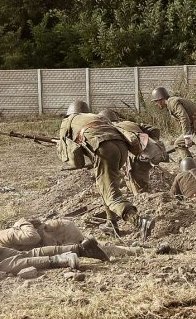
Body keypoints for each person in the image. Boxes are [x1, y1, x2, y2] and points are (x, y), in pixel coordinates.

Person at [58, 101, 155, 239]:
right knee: (106, 186)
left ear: (69, 113)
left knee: (111, 195)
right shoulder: (97, 117)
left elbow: (76, 160)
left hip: (104, 148)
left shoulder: (68, 121)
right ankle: (111, 223)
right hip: (122, 148)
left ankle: (139, 221)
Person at [151, 87, 196, 179]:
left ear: (161, 99)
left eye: (156, 101)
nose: (156, 104)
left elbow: (184, 118)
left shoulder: (172, 103)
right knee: (178, 144)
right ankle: (191, 168)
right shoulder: (172, 103)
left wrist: (187, 137)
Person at [0, 218, 144, 259]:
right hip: (56, 242)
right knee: (102, 248)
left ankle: (140, 250)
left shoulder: (1, 237)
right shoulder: (0, 250)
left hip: (60, 232)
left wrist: (23, 221)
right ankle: (140, 250)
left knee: (98, 248)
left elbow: (32, 237)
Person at [98, 108, 168, 194]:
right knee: (141, 172)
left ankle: (141, 197)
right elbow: (154, 129)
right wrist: (151, 143)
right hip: (156, 151)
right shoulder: (128, 123)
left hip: (138, 155)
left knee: (134, 178)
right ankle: (145, 193)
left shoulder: (109, 128)